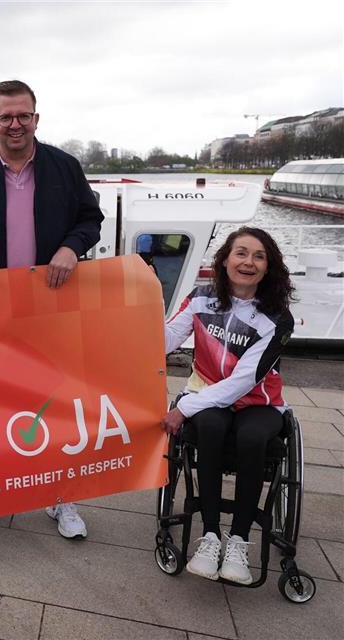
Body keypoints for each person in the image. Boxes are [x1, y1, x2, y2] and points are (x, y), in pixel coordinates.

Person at [0, 79, 103, 539]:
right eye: (6, 116)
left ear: (36, 118)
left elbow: (91, 220)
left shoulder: (64, 167)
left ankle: (60, 498)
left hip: (51, 305)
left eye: (22, 115)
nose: (14, 124)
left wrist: (72, 247)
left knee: (56, 403)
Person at [163, 227, 294, 585]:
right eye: (241, 253)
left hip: (257, 401)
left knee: (253, 439)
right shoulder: (201, 298)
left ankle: (238, 540)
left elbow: (243, 381)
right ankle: (209, 536)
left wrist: (183, 409)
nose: (248, 262)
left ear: (269, 268)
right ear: (224, 260)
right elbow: (166, 339)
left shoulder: (277, 318)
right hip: (207, 392)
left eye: (259, 256)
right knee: (211, 427)